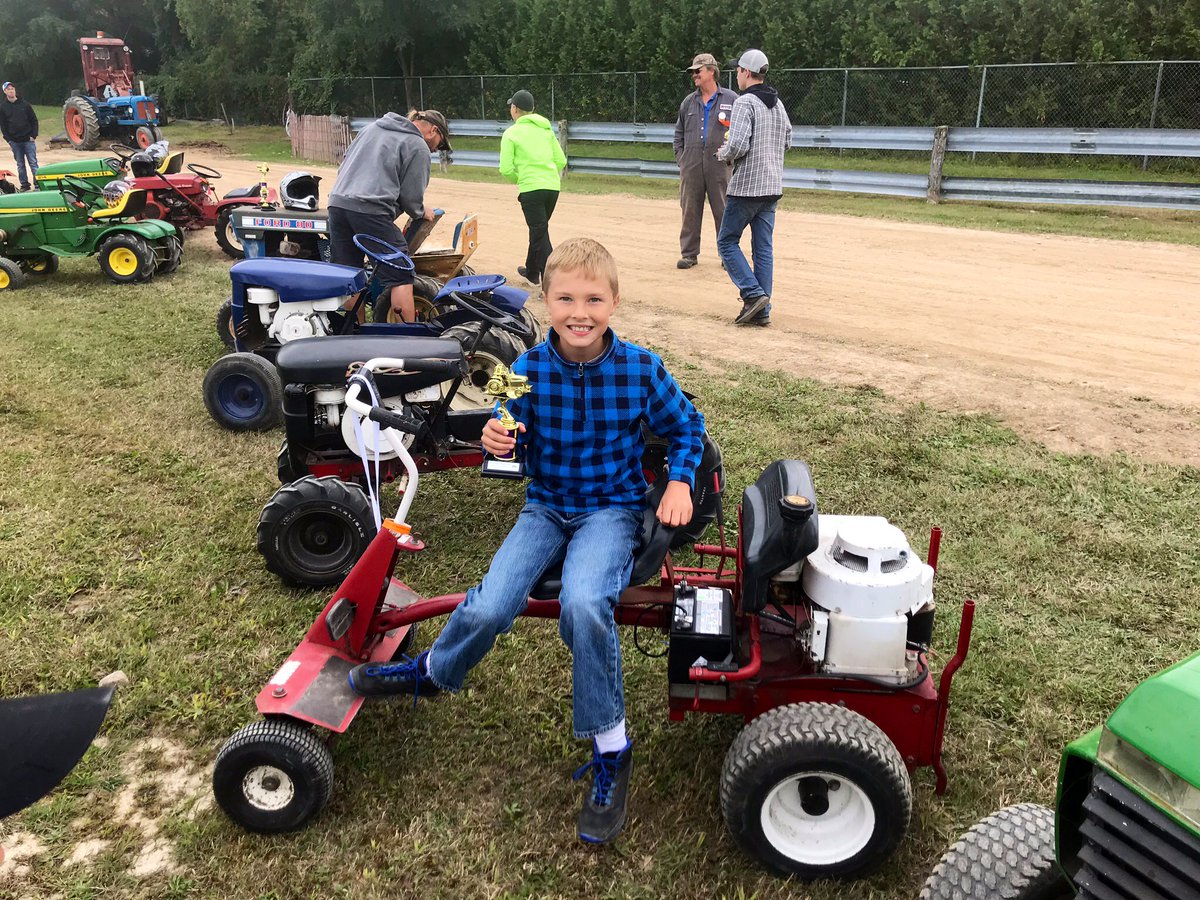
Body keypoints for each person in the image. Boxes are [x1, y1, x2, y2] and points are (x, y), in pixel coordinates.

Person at [348, 237, 706, 845]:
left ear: (614, 302)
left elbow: (686, 429)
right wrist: (495, 438)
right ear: (546, 300)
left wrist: (679, 480)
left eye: (594, 298)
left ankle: (612, 748)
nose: (580, 312)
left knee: (586, 603)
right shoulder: (528, 370)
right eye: (565, 298)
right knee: (488, 603)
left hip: (610, 511)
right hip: (545, 507)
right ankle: (434, 672)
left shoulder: (642, 368)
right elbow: (505, 432)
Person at [327, 108, 451, 322]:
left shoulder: (370, 129)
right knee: (400, 272)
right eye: (439, 144)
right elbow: (411, 198)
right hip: (369, 209)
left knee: (350, 276)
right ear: (433, 130)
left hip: (337, 205)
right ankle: (405, 341)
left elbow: (344, 167)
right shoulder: (417, 144)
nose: (435, 149)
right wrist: (422, 210)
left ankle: (354, 334)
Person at [716, 50, 792, 327]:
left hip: (747, 186)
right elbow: (787, 140)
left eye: (737, 70)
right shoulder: (778, 103)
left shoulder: (745, 102)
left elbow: (738, 145)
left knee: (726, 241)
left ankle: (752, 293)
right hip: (772, 186)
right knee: (763, 249)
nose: (736, 74)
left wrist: (722, 154)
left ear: (747, 72)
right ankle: (762, 311)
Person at [672, 53, 737, 270]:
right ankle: (689, 254)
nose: (694, 75)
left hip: (720, 165)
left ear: (711, 71)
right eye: (692, 72)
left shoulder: (731, 99)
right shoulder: (688, 102)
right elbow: (678, 132)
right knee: (690, 209)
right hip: (691, 164)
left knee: (723, 210)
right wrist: (681, 157)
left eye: (698, 71)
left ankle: (726, 255)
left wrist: (733, 158)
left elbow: (741, 131)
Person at [500, 89, 567, 285]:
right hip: (552, 188)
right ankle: (531, 271)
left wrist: (520, 179)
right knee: (539, 231)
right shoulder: (546, 130)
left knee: (540, 233)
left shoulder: (511, 133)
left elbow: (505, 169)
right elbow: (561, 160)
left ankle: (553, 281)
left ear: (514, 109)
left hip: (531, 189)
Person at [0, 82, 39, 193]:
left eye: (12, 88)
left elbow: (34, 120)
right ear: (5, 92)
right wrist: (9, 140)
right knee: (20, 164)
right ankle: (24, 185)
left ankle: (38, 184)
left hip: (28, 140)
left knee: (33, 163)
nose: (11, 91)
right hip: (15, 142)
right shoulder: (3, 107)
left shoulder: (25, 104)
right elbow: (3, 125)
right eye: (8, 89)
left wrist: (33, 135)